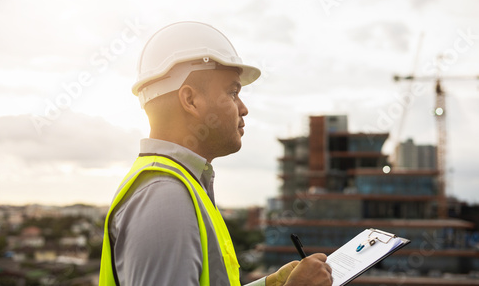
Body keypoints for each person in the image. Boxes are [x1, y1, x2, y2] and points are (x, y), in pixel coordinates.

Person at [99, 21, 333, 286]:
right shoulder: (165, 197)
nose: (243, 108)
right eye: (232, 92)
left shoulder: (180, 184)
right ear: (190, 100)